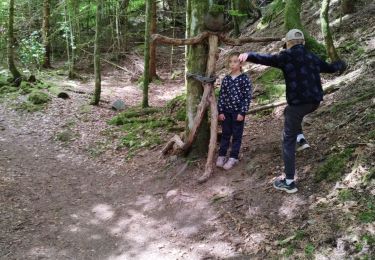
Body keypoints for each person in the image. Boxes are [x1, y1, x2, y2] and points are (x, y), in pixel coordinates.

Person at [238, 29, 346, 193]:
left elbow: (266, 58)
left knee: (287, 139)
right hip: (314, 102)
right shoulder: (312, 57)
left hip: (298, 105)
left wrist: (249, 55)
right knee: (288, 112)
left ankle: (289, 182)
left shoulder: (285, 56)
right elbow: (330, 68)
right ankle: (301, 139)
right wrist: (341, 64)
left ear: (288, 43)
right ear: (303, 42)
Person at [216, 52, 252, 170]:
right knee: (225, 134)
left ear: (241, 63)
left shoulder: (244, 79)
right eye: (230, 61)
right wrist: (220, 111)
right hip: (226, 111)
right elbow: (222, 95)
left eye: (235, 61)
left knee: (237, 135)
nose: (232, 64)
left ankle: (233, 157)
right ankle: (222, 155)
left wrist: (242, 112)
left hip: (237, 112)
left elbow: (247, 97)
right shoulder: (226, 79)